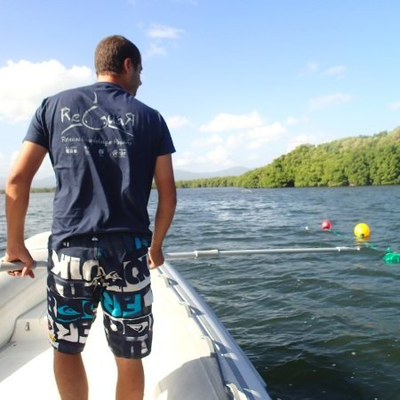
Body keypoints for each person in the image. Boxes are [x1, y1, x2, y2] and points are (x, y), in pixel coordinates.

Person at [4, 35, 177, 400]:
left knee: (67, 349)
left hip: (70, 252)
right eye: (141, 71)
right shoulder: (151, 118)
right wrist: (156, 246)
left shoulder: (53, 106)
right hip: (129, 254)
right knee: (128, 355)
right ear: (128, 65)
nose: (141, 81)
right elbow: (168, 193)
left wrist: (16, 244)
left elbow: (18, 180)